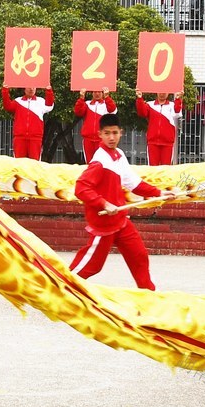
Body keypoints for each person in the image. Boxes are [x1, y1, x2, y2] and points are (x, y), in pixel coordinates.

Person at [69, 113, 175, 290]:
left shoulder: (118, 155)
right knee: (91, 266)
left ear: (121, 132)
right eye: (107, 133)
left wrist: (159, 192)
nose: (111, 137)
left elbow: (133, 183)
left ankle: (148, 295)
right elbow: (81, 188)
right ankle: (60, 287)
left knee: (139, 256)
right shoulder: (99, 161)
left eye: (115, 133)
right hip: (103, 224)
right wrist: (104, 203)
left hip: (120, 220)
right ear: (100, 134)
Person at [1, 85, 55, 160]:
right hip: (20, 138)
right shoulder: (18, 101)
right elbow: (7, 106)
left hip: (35, 138)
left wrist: (49, 90)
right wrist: (5, 90)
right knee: (19, 163)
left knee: (34, 163)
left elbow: (49, 105)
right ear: (24, 88)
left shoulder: (41, 101)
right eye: (29, 87)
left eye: (33, 87)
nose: (31, 89)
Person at [135, 90, 183, 166]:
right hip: (153, 142)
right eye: (160, 91)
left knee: (166, 168)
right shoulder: (150, 104)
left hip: (167, 143)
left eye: (164, 92)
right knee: (153, 168)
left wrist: (178, 99)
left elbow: (177, 112)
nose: (162, 94)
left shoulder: (172, 105)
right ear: (156, 92)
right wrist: (139, 98)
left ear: (168, 93)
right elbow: (142, 112)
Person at [73, 87, 117, 163]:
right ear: (92, 93)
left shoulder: (106, 104)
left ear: (102, 93)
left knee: (102, 162)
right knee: (90, 162)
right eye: (95, 92)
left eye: (99, 92)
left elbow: (112, 110)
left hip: (102, 139)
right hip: (88, 139)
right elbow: (78, 112)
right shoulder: (87, 104)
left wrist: (107, 97)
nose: (97, 94)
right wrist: (81, 98)